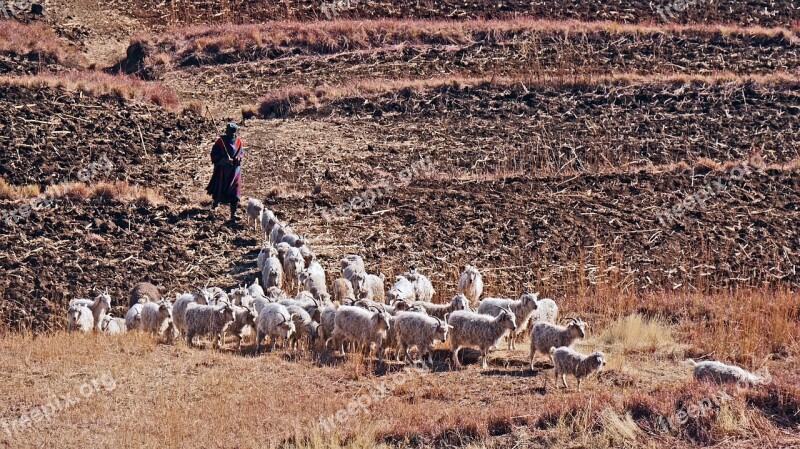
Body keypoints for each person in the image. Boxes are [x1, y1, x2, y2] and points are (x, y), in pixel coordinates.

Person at [206, 123, 244, 223]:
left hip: (234, 171)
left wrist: (236, 159)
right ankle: (214, 207)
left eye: (231, 132)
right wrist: (224, 160)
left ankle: (233, 213)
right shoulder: (220, 141)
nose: (229, 133)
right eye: (228, 131)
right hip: (222, 171)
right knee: (219, 189)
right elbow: (214, 154)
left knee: (235, 192)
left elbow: (241, 154)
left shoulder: (238, 142)